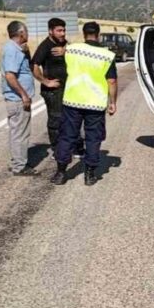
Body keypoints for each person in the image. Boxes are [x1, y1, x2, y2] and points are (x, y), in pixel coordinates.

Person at [50, 22, 117, 187]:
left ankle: (60, 172)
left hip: (72, 101)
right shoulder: (107, 55)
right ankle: (89, 175)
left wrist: (65, 50)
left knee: (67, 136)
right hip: (95, 104)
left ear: (84, 33)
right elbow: (112, 81)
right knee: (93, 138)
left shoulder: (72, 49)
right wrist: (112, 102)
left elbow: (63, 54)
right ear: (98, 34)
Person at [31, 17, 83, 156]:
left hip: (68, 88)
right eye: (59, 30)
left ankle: (76, 146)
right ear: (50, 31)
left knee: (72, 117)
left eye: (64, 30)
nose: (62, 33)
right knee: (56, 119)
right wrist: (46, 82)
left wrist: (66, 50)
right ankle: (56, 148)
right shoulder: (45, 46)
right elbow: (34, 66)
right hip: (53, 91)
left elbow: (76, 51)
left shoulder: (65, 44)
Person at [0, 20, 37, 176]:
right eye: (26, 31)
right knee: (20, 133)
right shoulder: (11, 50)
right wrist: (23, 95)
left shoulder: (16, 49)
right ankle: (19, 166)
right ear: (21, 33)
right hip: (17, 99)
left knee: (18, 132)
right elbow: (10, 75)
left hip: (17, 98)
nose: (27, 34)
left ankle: (18, 160)